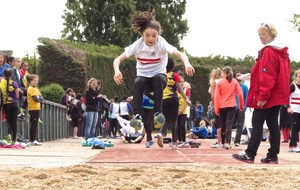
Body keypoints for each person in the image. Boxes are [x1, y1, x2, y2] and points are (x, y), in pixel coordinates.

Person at [113, 11, 195, 147]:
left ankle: (158, 112)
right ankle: (137, 115)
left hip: (159, 79)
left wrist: (187, 63)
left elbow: (180, 54)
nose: (151, 39)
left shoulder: (161, 43)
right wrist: (117, 70)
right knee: (138, 81)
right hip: (144, 80)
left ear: (158, 35)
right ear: (142, 34)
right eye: (147, 35)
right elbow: (118, 59)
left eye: (154, 36)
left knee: (157, 78)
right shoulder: (138, 44)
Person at [233, 23, 291, 164]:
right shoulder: (282, 52)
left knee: (257, 122)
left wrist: (263, 96)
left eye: (263, 34)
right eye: (260, 35)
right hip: (277, 95)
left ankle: (250, 153)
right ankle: (272, 155)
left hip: (268, 95)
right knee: (272, 124)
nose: (261, 38)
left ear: (272, 34)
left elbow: (267, 75)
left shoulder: (268, 51)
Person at [159, 58, 191, 149]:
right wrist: (186, 99)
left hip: (164, 100)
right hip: (173, 98)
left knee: (166, 119)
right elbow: (179, 89)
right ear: (172, 66)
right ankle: (174, 143)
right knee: (174, 121)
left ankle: (161, 133)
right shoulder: (175, 75)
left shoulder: (161, 76)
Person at [214, 66, 244, 149]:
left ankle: (223, 142)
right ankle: (227, 142)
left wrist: (216, 108)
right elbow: (240, 94)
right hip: (232, 105)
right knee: (229, 124)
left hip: (222, 106)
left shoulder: (219, 82)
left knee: (223, 124)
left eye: (222, 73)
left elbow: (216, 96)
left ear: (224, 73)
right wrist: (241, 106)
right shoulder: (235, 82)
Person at [0, 69, 19, 143]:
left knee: (9, 122)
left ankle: (9, 137)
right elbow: (17, 95)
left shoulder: (2, 83)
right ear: (11, 75)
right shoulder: (14, 83)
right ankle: (14, 139)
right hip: (14, 104)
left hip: (6, 105)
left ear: (4, 74)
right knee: (14, 122)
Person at [26, 74, 44, 146]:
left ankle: (35, 139)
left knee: (36, 124)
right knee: (33, 124)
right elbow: (36, 99)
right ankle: (32, 139)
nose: (36, 82)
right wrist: (39, 98)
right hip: (32, 108)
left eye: (37, 81)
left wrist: (39, 98)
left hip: (37, 108)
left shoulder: (36, 89)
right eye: (34, 81)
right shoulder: (30, 88)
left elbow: (41, 98)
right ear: (31, 81)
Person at [232, 72, 249, 147]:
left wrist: (244, 107)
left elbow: (246, 98)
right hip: (232, 108)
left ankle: (237, 141)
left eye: (240, 75)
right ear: (234, 77)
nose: (239, 77)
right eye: (238, 75)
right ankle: (227, 140)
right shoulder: (232, 86)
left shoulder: (244, 87)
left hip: (241, 109)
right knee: (230, 124)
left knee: (240, 125)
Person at [208, 68, 223, 148]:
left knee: (218, 123)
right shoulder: (223, 81)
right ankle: (224, 141)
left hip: (217, 104)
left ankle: (219, 142)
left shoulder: (214, 83)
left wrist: (213, 104)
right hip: (224, 103)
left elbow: (213, 96)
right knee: (223, 123)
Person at [287, 69, 300, 152]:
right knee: (295, 128)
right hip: (294, 110)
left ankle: (294, 144)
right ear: (295, 77)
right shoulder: (292, 86)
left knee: (298, 128)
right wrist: (288, 107)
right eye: (299, 77)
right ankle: (292, 146)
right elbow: (285, 96)